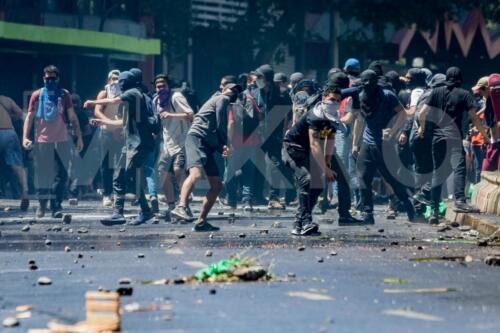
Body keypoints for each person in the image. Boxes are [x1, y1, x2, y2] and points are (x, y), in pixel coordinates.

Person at [283, 73, 363, 236]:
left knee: (318, 184)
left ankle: (300, 221)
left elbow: (329, 139)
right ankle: (305, 222)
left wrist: (326, 164)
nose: (334, 103)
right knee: (307, 179)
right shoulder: (316, 113)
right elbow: (314, 144)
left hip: (311, 148)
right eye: (331, 99)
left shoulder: (331, 115)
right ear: (324, 97)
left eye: (337, 100)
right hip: (294, 148)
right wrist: (325, 170)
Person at [417, 67, 490, 221]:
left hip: (437, 138)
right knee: (459, 168)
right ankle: (460, 201)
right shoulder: (464, 94)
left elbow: (421, 113)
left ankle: (434, 211)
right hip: (454, 138)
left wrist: (422, 128)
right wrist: (485, 136)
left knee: (438, 172)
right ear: (460, 78)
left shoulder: (436, 92)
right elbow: (474, 118)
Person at [84, 71, 154, 225]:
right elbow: (123, 123)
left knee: (129, 173)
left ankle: (145, 210)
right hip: (130, 143)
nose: (119, 84)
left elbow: (114, 100)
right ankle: (119, 213)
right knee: (119, 174)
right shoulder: (132, 99)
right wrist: (102, 122)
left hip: (139, 143)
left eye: (121, 81)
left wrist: (92, 103)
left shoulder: (134, 93)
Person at [170, 83, 242, 231]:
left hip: (207, 143)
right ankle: (181, 206)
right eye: (231, 89)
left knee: (217, 185)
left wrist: (221, 146)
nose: (233, 92)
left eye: (236, 91)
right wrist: (226, 144)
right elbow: (221, 125)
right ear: (222, 89)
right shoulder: (222, 99)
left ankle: (201, 221)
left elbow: (215, 127)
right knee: (195, 174)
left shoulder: (221, 101)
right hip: (197, 138)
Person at [352, 69, 415, 224]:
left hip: (385, 145)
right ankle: (368, 214)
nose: (367, 87)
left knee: (392, 179)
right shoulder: (361, 96)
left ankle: (409, 206)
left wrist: (393, 131)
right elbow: (359, 120)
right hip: (367, 143)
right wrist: (355, 143)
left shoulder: (387, 95)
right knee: (362, 178)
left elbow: (403, 114)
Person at [23, 65, 83, 218]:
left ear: (58, 78)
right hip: (42, 140)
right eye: (47, 78)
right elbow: (29, 117)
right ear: (43, 78)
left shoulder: (64, 95)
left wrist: (79, 137)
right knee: (43, 174)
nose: (50, 80)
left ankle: (56, 206)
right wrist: (24, 137)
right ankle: (42, 205)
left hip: (62, 140)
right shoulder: (37, 95)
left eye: (53, 78)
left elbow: (72, 116)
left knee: (61, 175)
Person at [153, 74, 194, 218]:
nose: (160, 89)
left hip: (182, 141)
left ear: (168, 86)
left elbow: (191, 115)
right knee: (162, 173)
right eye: (158, 86)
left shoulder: (176, 97)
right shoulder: (156, 101)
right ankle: (171, 207)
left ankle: (185, 205)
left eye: (163, 85)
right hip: (167, 143)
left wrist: (171, 115)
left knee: (178, 170)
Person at [225, 81, 261, 211]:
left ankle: (232, 199)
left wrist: (228, 143)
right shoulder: (249, 98)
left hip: (234, 143)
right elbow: (259, 115)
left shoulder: (229, 104)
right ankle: (247, 201)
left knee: (229, 171)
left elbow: (231, 124)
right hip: (251, 141)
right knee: (249, 173)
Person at [94, 69, 122, 207]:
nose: (115, 81)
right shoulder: (104, 93)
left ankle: (119, 193)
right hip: (106, 132)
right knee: (106, 165)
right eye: (113, 78)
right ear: (108, 79)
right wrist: (109, 123)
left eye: (118, 78)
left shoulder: (123, 93)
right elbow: (97, 111)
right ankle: (107, 194)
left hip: (120, 132)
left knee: (120, 164)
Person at [0, 94, 29, 211]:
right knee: (17, 167)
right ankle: (25, 192)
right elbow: (23, 116)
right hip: (9, 133)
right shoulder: (6, 100)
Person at [68, 93, 96, 205]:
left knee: (77, 169)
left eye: (76, 102)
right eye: (72, 102)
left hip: (81, 145)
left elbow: (87, 131)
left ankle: (74, 191)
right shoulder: (65, 113)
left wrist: (77, 137)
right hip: (67, 144)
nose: (74, 105)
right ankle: (75, 190)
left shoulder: (82, 115)